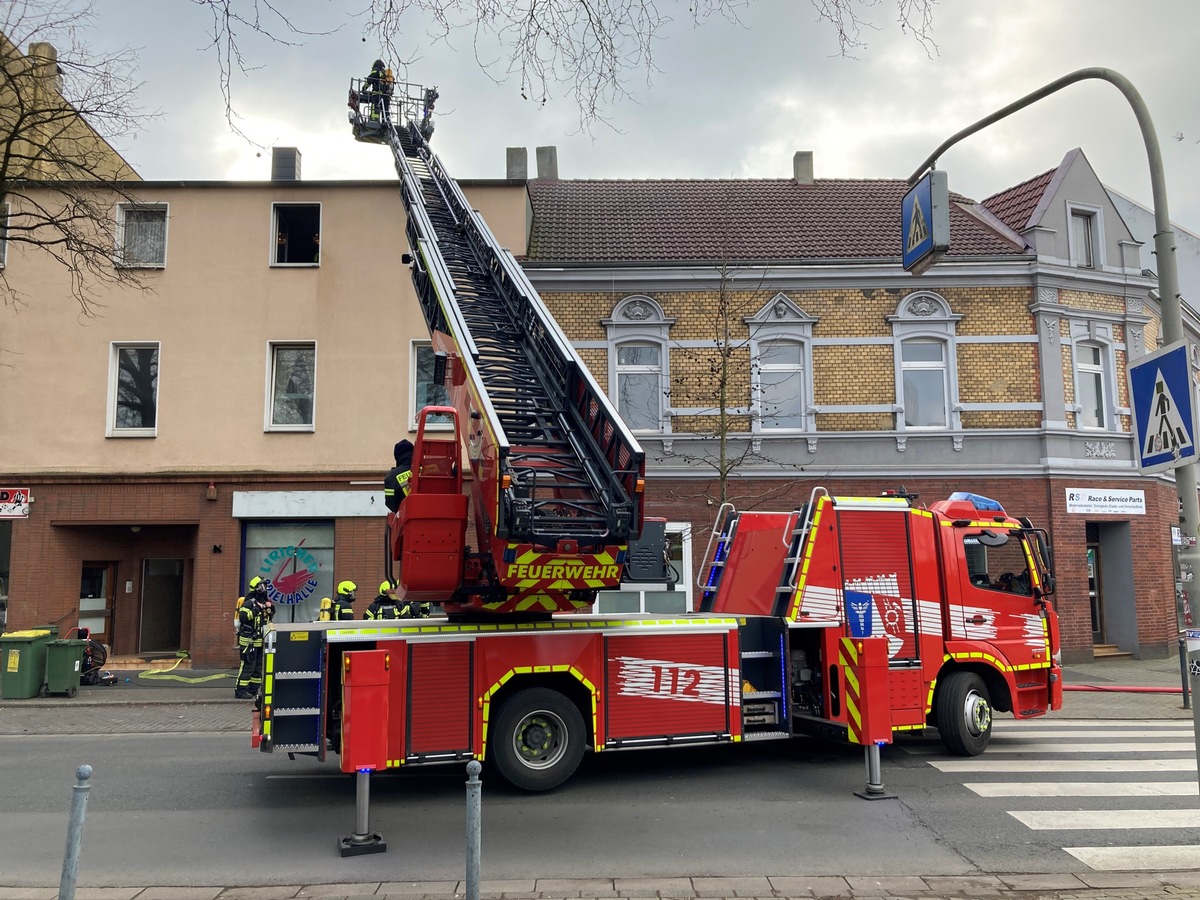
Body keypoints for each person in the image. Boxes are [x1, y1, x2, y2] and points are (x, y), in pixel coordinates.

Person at [235, 576, 275, 699]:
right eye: (261, 586)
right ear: (255, 588)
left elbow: (268, 618)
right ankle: (241, 691)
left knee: (258, 668)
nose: (263, 589)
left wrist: (270, 609)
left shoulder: (264, 601)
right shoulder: (249, 602)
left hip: (259, 641)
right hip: (248, 642)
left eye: (264, 586)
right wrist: (258, 608)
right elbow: (244, 617)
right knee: (248, 666)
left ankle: (253, 690)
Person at [384, 440, 414, 513]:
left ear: (397, 456)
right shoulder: (428, 471)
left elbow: (390, 503)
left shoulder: (391, 478)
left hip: (405, 520)